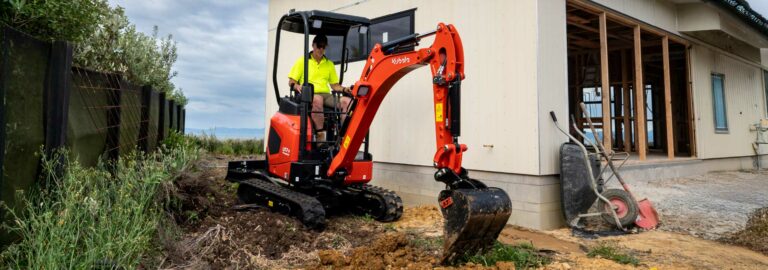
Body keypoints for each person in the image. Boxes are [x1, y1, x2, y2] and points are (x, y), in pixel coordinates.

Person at [288, 34, 352, 142]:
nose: (321, 49)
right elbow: (291, 81)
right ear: (313, 45)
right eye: (319, 46)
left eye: (323, 47)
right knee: (318, 99)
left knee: (348, 101)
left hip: (326, 95)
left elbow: (334, 85)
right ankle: (320, 138)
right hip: (308, 94)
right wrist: (297, 85)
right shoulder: (302, 61)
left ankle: (343, 137)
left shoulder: (329, 64)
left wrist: (345, 89)